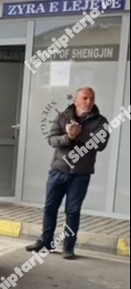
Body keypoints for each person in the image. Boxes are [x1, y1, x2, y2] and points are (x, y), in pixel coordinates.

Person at [25, 87, 109, 260]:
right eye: (84, 98)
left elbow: (101, 144)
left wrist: (78, 136)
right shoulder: (63, 116)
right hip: (58, 170)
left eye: (91, 98)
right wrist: (68, 138)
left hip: (80, 174)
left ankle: (68, 247)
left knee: (73, 211)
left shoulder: (100, 121)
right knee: (50, 207)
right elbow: (52, 139)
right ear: (76, 100)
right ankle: (46, 241)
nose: (88, 102)